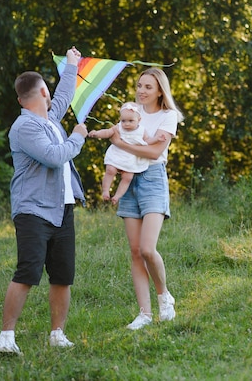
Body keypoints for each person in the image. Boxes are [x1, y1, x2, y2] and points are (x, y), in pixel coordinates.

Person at [0, 47, 89, 355]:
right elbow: (53, 156)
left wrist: (72, 65)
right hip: (33, 210)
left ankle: (57, 334)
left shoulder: (49, 119)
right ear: (42, 92)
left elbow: (63, 97)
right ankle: (6, 337)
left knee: (62, 275)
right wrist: (77, 136)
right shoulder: (24, 127)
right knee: (28, 271)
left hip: (62, 209)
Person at [91, 67, 183, 330]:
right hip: (128, 180)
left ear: (159, 92)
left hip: (153, 179)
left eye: (148, 87)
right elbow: (114, 133)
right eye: (139, 85)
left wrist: (121, 145)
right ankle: (144, 313)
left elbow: (154, 153)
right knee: (134, 252)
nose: (141, 91)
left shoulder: (168, 117)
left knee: (147, 249)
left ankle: (164, 297)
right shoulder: (131, 112)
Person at [88, 102, 165, 204]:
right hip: (117, 154)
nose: (126, 124)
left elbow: (146, 142)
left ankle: (117, 196)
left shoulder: (142, 131)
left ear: (139, 120)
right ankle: (105, 191)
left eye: (130, 121)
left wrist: (156, 139)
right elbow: (107, 132)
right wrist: (97, 134)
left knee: (128, 177)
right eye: (123, 121)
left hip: (130, 158)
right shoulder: (118, 127)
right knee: (110, 170)